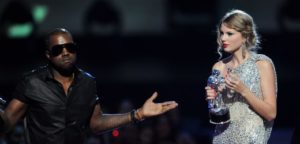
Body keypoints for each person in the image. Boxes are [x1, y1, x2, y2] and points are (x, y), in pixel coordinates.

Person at [0, 28, 178, 144]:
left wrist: (138, 114)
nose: (65, 53)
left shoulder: (87, 82)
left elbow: (96, 123)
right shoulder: (32, 82)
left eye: (70, 47)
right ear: (48, 55)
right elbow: (6, 123)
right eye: (58, 50)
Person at [205, 9, 277, 143]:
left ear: (244, 36)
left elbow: (271, 113)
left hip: (250, 138)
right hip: (223, 138)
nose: (223, 38)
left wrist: (243, 90)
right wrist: (214, 101)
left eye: (229, 34)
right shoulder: (218, 67)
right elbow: (217, 118)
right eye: (222, 33)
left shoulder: (261, 64)